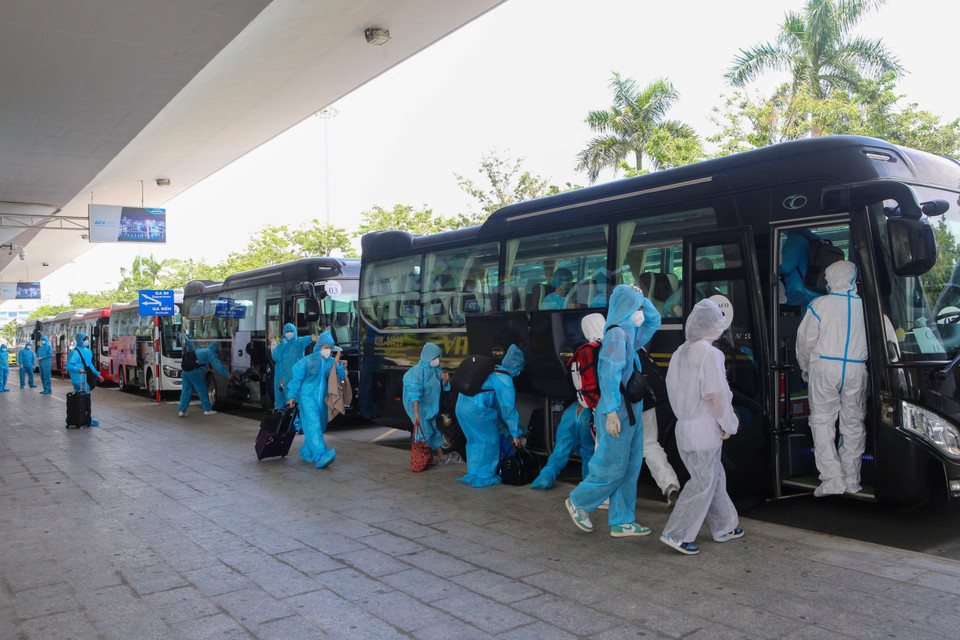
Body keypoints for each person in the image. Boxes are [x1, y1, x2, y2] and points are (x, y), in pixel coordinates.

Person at [565, 284, 661, 537]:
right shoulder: (617, 335)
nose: (641, 310)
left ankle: (622, 520)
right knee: (613, 467)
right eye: (637, 305)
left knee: (629, 467)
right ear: (626, 307)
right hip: (618, 412)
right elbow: (608, 374)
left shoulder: (628, 331)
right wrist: (609, 413)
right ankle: (579, 501)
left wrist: (643, 297)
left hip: (631, 410)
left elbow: (654, 321)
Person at [660, 299, 742, 556]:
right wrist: (728, 423)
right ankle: (676, 533)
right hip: (704, 428)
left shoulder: (679, 352)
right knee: (702, 482)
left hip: (683, 427)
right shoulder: (710, 353)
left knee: (713, 477)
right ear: (713, 326)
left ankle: (725, 526)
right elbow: (716, 395)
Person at [796, 260, 868, 497]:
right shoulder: (867, 306)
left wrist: (805, 368)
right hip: (857, 369)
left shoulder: (820, 304)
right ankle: (852, 480)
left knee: (822, 422)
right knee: (853, 424)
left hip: (825, 367)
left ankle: (831, 479)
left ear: (830, 279)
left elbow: (805, 341)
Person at [455, 344, 526, 488]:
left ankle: (474, 473)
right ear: (517, 367)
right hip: (476, 410)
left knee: (474, 441)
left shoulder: (494, 370)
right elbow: (508, 409)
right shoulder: (505, 379)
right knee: (489, 442)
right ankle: (485, 477)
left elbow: (496, 406)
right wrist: (515, 433)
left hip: (461, 406)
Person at [286, 332, 344, 469]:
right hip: (307, 398)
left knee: (320, 425)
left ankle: (307, 451)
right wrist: (291, 396)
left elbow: (340, 376)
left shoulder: (330, 362)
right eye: (326, 346)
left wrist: (337, 362)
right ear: (319, 346)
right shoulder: (307, 361)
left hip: (322, 399)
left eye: (330, 347)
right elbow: (297, 379)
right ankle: (321, 455)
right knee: (313, 426)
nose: (328, 350)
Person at [403, 342, 451, 460]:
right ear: (428, 356)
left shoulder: (435, 369)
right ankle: (423, 459)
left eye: (438, 357)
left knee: (434, 429)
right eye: (435, 357)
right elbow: (415, 392)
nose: (437, 360)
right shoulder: (418, 371)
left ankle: (439, 456)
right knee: (425, 432)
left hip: (431, 407)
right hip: (421, 408)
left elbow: (440, 384)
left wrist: (445, 379)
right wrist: (416, 414)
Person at [177, 342, 232, 417]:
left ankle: (182, 410)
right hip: (194, 371)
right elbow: (217, 366)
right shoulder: (210, 353)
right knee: (202, 389)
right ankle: (207, 409)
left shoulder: (202, 350)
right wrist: (227, 374)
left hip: (185, 370)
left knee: (186, 390)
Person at [271, 323, 318, 409]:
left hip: (295, 377)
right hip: (281, 377)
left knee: (295, 401)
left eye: (291, 331)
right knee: (280, 400)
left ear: (295, 332)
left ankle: (293, 419)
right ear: (284, 333)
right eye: (287, 331)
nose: (289, 333)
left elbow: (305, 340)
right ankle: (281, 417)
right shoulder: (280, 347)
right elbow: (275, 357)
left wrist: (313, 337)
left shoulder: (298, 343)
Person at [65, 332, 104, 425]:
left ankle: (79, 417)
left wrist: (97, 374)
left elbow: (89, 365)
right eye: (84, 340)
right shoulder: (74, 353)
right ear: (79, 340)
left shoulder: (87, 352)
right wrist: (78, 369)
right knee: (83, 398)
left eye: (87, 339)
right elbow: (69, 366)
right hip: (78, 379)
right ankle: (85, 418)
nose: (86, 341)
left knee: (81, 398)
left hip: (85, 377)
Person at [780, 229, 823, 308]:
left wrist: (772, 267)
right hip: (815, 289)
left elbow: (785, 267)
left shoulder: (796, 239)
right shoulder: (814, 240)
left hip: (800, 291)